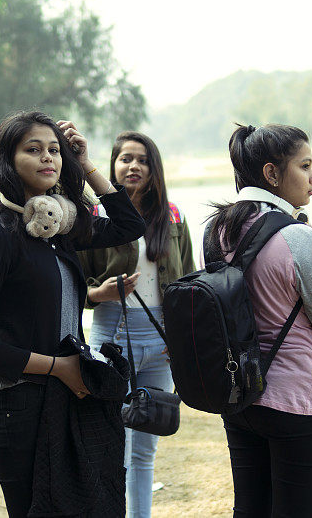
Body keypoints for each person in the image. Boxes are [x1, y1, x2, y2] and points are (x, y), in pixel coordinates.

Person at [0, 111, 146, 517]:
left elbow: (129, 225)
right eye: (33, 150)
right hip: (18, 407)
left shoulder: (58, 224)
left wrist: (86, 162)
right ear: (8, 160)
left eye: (55, 151)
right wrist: (59, 367)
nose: (47, 159)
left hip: (66, 399)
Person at [206, 124, 312, 517]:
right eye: (305, 165)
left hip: (240, 394)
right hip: (301, 403)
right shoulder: (298, 238)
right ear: (272, 174)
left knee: (251, 510)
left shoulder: (216, 229)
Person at [78, 131, 195, 518]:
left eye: (142, 160)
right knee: (111, 443)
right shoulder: (96, 216)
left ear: (154, 168)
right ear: (112, 166)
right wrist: (100, 294)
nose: (134, 166)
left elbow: (190, 284)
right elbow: (71, 287)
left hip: (161, 344)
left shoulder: (173, 216)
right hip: (111, 338)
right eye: (125, 159)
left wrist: (181, 338)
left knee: (145, 448)